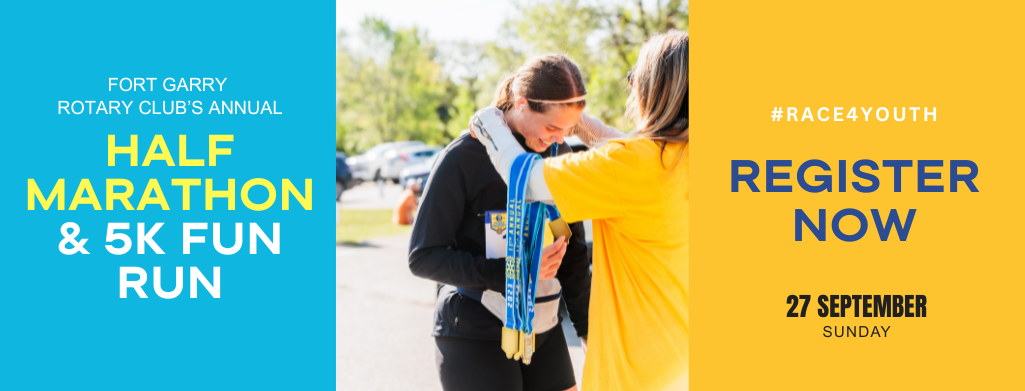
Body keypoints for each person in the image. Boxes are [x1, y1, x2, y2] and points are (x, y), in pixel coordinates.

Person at [469, 31, 689, 390]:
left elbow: (530, 180)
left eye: (635, 78)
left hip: (637, 370)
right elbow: (618, 143)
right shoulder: (686, 159)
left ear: (654, 89)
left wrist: (489, 123)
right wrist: (572, 117)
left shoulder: (633, 164)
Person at [408, 54, 593, 391]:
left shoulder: (560, 155)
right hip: (474, 324)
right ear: (521, 105)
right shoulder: (464, 157)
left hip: (541, 323)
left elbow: (575, 253)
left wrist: (586, 328)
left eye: (567, 130)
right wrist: (510, 273)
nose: (558, 138)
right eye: (552, 127)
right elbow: (423, 256)